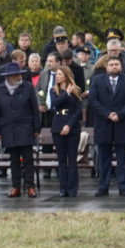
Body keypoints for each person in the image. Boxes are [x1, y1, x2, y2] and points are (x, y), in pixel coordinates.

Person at [88, 56, 125, 196]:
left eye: (117, 64)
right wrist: (108, 114)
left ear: (121, 66)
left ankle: (123, 187)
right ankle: (103, 186)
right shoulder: (97, 80)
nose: (114, 66)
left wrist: (120, 115)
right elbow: (93, 99)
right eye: (111, 64)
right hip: (104, 124)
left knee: (122, 159)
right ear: (106, 67)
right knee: (104, 158)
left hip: (122, 123)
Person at [0, 62, 40, 198]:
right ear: (9, 77)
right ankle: (16, 187)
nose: (19, 77)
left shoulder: (28, 87)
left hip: (25, 128)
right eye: (16, 75)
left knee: (28, 159)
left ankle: (30, 186)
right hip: (8, 129)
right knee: (14, 160)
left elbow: (35, 109)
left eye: (20, 74)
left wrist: (36, 128)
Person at [50, 65, 82, 197]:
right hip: (58, 126)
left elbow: (78, 111)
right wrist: (66, 93)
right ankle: (63, 188)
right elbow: (55, 104)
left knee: (72, 159)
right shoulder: (54, 90)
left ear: (66, 75)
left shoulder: (76, 90)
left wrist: (69, 126)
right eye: (56, 74)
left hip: (72, 127)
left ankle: (72, 188)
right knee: (61, 159)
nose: (57, 76)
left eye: (59, 74)